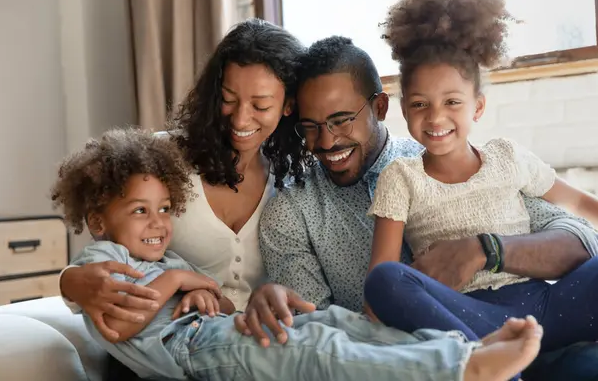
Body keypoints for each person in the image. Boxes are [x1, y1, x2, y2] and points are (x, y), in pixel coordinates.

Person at [236, 35, 598, 381]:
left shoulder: (447, 156)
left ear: (380, 107)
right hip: (431, 361)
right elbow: (324, 334)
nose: (327, 141)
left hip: (541, 327)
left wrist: (485, 250)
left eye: (341, 120)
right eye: (311, 127)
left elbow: (580, 237)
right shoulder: (290, 215)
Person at [54, 127, 544, 381]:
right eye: (140, 210)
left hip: (222, 332)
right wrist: (186, 283)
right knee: (317, 351)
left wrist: (206, 294)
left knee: (336, 324)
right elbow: (121, 323)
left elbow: (221, 306)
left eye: (164, 209)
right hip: (198, 357)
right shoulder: (99, 260)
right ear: (99, 219)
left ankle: (463, 348)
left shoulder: (165, 262)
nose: (159, 222)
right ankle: (457, 372)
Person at [363, 0, 598, 355]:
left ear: (478, 107)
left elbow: (580, 205)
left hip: (547, 309)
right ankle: (499, 363)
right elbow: (381, 283)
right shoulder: (401, 177)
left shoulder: (507, 156)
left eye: (452, 101)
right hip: (470, 319)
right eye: (420, 104)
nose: (436, 116)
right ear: (404, 109)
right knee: (384, 281)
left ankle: (516, 360)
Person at [58, 18, 310, 344]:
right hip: (168, 345)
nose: (240, 118)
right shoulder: (161, 157)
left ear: (289, 105)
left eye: (260, 105)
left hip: (255, 345)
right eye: (228, 99)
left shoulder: (291, 179)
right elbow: (104, 245)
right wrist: (70, 282)